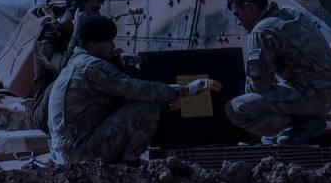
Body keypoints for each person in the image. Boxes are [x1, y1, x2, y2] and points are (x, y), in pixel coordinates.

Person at [48, 15, 221, 165]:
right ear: (93, 44)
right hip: (80, 154)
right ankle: (130, 165)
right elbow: (138, 90)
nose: (112, 45)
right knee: (147, 108)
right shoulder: (91, 66)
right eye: (108, 41)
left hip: (69, 150)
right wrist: (186, 90)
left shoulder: (76, 63)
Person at [223, 0, 331, 145]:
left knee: (237, 107)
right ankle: (297, 126)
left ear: (249, 8)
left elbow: (260, 85)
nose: (238, 22)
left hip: (313, 97)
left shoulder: (261, 31)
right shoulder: (289, 13)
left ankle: (302, 124)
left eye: (238, 14)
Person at [29, 0, 104, 134]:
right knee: (72, 78)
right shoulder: (47, 37)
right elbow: (65, 69)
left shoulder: (85, 34)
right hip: (46, 112)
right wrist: (76, 34)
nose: (98, 16)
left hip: (70, 107)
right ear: (75, 9)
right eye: (93, 9)